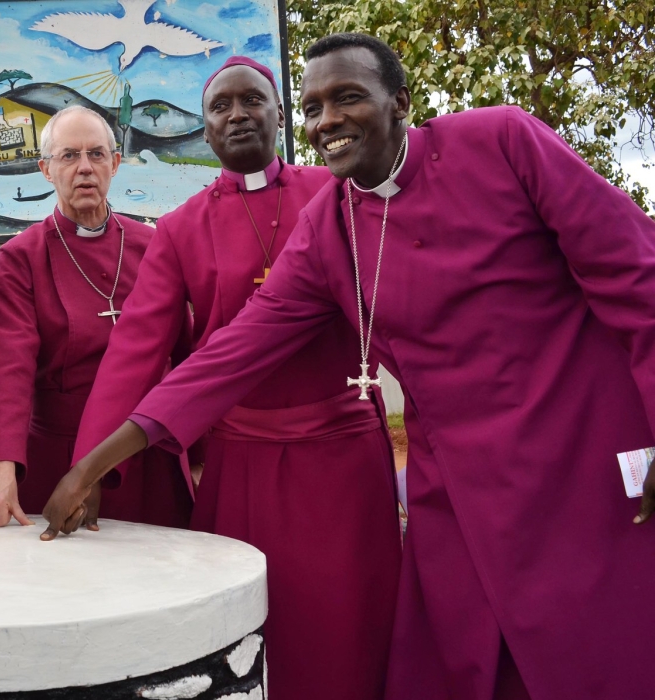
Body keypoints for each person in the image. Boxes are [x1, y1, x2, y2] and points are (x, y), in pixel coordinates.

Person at [46, 32, 655, 700]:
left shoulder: (505, 141)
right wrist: (95, 462)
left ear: (401, 102)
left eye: (347, 98)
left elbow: (634, 274)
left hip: (578, 450)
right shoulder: (331, 225)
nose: (327, 120)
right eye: (314, 108)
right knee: (465, 659)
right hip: (453, 480)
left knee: (596, 647)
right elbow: (231, 352)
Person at [72, 56, 401, 699]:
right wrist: (91, 465)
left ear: (280, 114)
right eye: (220, 108)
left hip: (343, 458)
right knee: (250, 633)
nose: (237, 115)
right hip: (242, 462)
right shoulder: (180, 228)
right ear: (205, 130)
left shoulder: (337, 192)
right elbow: (136, 350)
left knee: (352, 626)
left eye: (252, 100)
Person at [0, 106, 194, 529]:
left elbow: (185, 355)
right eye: (69, 156)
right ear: (45, 169)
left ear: (115, 164)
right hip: (60, 459)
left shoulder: (154, 246)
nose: (85, 168)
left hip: (148, 454)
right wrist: (0, 464)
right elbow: (8, 364)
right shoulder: (24, 257)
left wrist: (198, 456)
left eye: (96, 154)